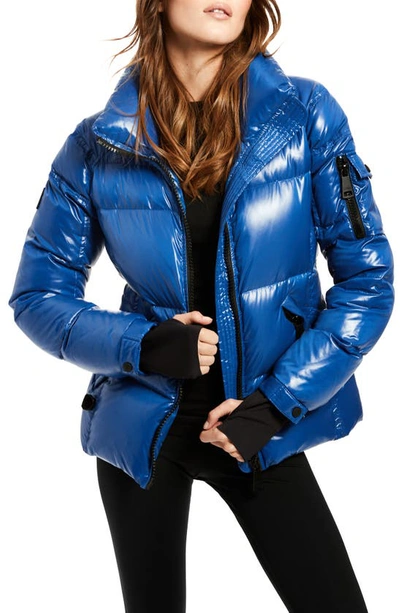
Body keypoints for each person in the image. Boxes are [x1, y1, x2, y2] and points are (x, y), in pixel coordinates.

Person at [9, 0, 394, 611]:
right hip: (143, 430)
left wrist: (275, 405)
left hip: (259, 424)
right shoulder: (98, 143)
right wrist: (143, 345)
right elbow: (37, 297)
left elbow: (367, 281)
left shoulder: (304, 114)